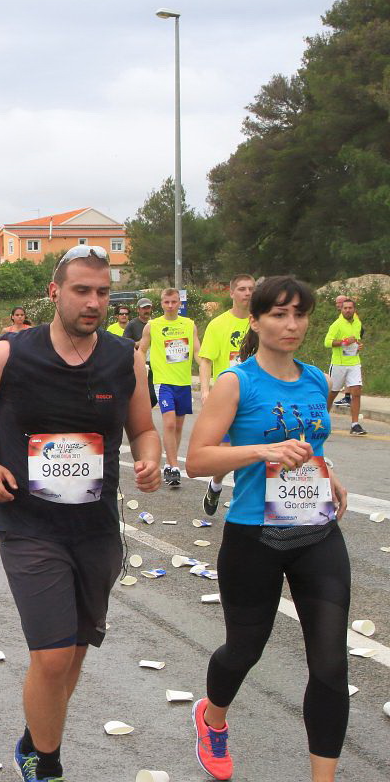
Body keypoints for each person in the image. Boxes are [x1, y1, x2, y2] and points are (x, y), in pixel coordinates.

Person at [0, 245, 161, 782]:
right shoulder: (9, 354)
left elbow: (144, 429)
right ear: (54, 293)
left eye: (103, 293)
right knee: (53, 655)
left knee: (76, 650)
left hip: (95, 527)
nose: (93, 303)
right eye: (81, 291)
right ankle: (47, 764)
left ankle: (35, 738)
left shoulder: (124, 358)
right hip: (28, 524)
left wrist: (151, 458)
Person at [185, 276, 350, 782]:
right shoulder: (239, 382)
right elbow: (196, 460)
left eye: (300, 314)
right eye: (279, 314)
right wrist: (262, 451)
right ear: (254, 321)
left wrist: (329, 474)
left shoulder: (317, 379)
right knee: (244, 649)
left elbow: (310, 443)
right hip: (254, 536)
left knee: (330, 665)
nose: (292, 324)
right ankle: (212, 718)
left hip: (317, 532)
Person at [198, 275, 255, 515]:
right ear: (231, 293)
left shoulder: (261, 322)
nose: (247, 293)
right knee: (226, 447)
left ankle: (250, 500)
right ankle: (216, 483)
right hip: (227, 394)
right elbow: (205, 359)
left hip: (255, 394)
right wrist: (205, 390)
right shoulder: (218, 324)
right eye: (242, 289)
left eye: (251, 289)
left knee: (257, 446)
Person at [139, 288, 200, 486]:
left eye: (174, 302)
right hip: (163, 381)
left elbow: (198, 351)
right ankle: (174, 467)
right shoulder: (152, 325)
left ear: (180, 304)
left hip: (183, 381)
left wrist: (208, 367)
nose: (171, 306)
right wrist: (139, 372)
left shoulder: (189, 325)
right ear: (162, 303)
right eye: (167, 302)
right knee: (170, 423)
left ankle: (169, 461)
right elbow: (142, 350)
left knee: (179, 425)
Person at [324, 297, 366, 435]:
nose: (348, 310)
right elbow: (327, 342)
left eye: (350, 308)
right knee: (332, 393)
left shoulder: (357, 323)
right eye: (345, 308)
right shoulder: (336, 325)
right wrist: (344, 342)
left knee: (357, 392)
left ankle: (355, 425)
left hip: (354, 362)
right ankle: (323, 420)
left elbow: (357, 340)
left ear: (354, 309)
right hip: (338, 364)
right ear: (341, 309)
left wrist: (359, 345)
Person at [124, 297, 158, 408]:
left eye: (148, 307)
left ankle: (145, 412)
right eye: (144, 308)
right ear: (138, 310)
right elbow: (125, 344)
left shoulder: (156, 323)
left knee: (153, 396)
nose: (146, 310)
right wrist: (142, 342)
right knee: (139, 393)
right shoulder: (132, 325)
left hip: (156, 363)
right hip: (140, 363)